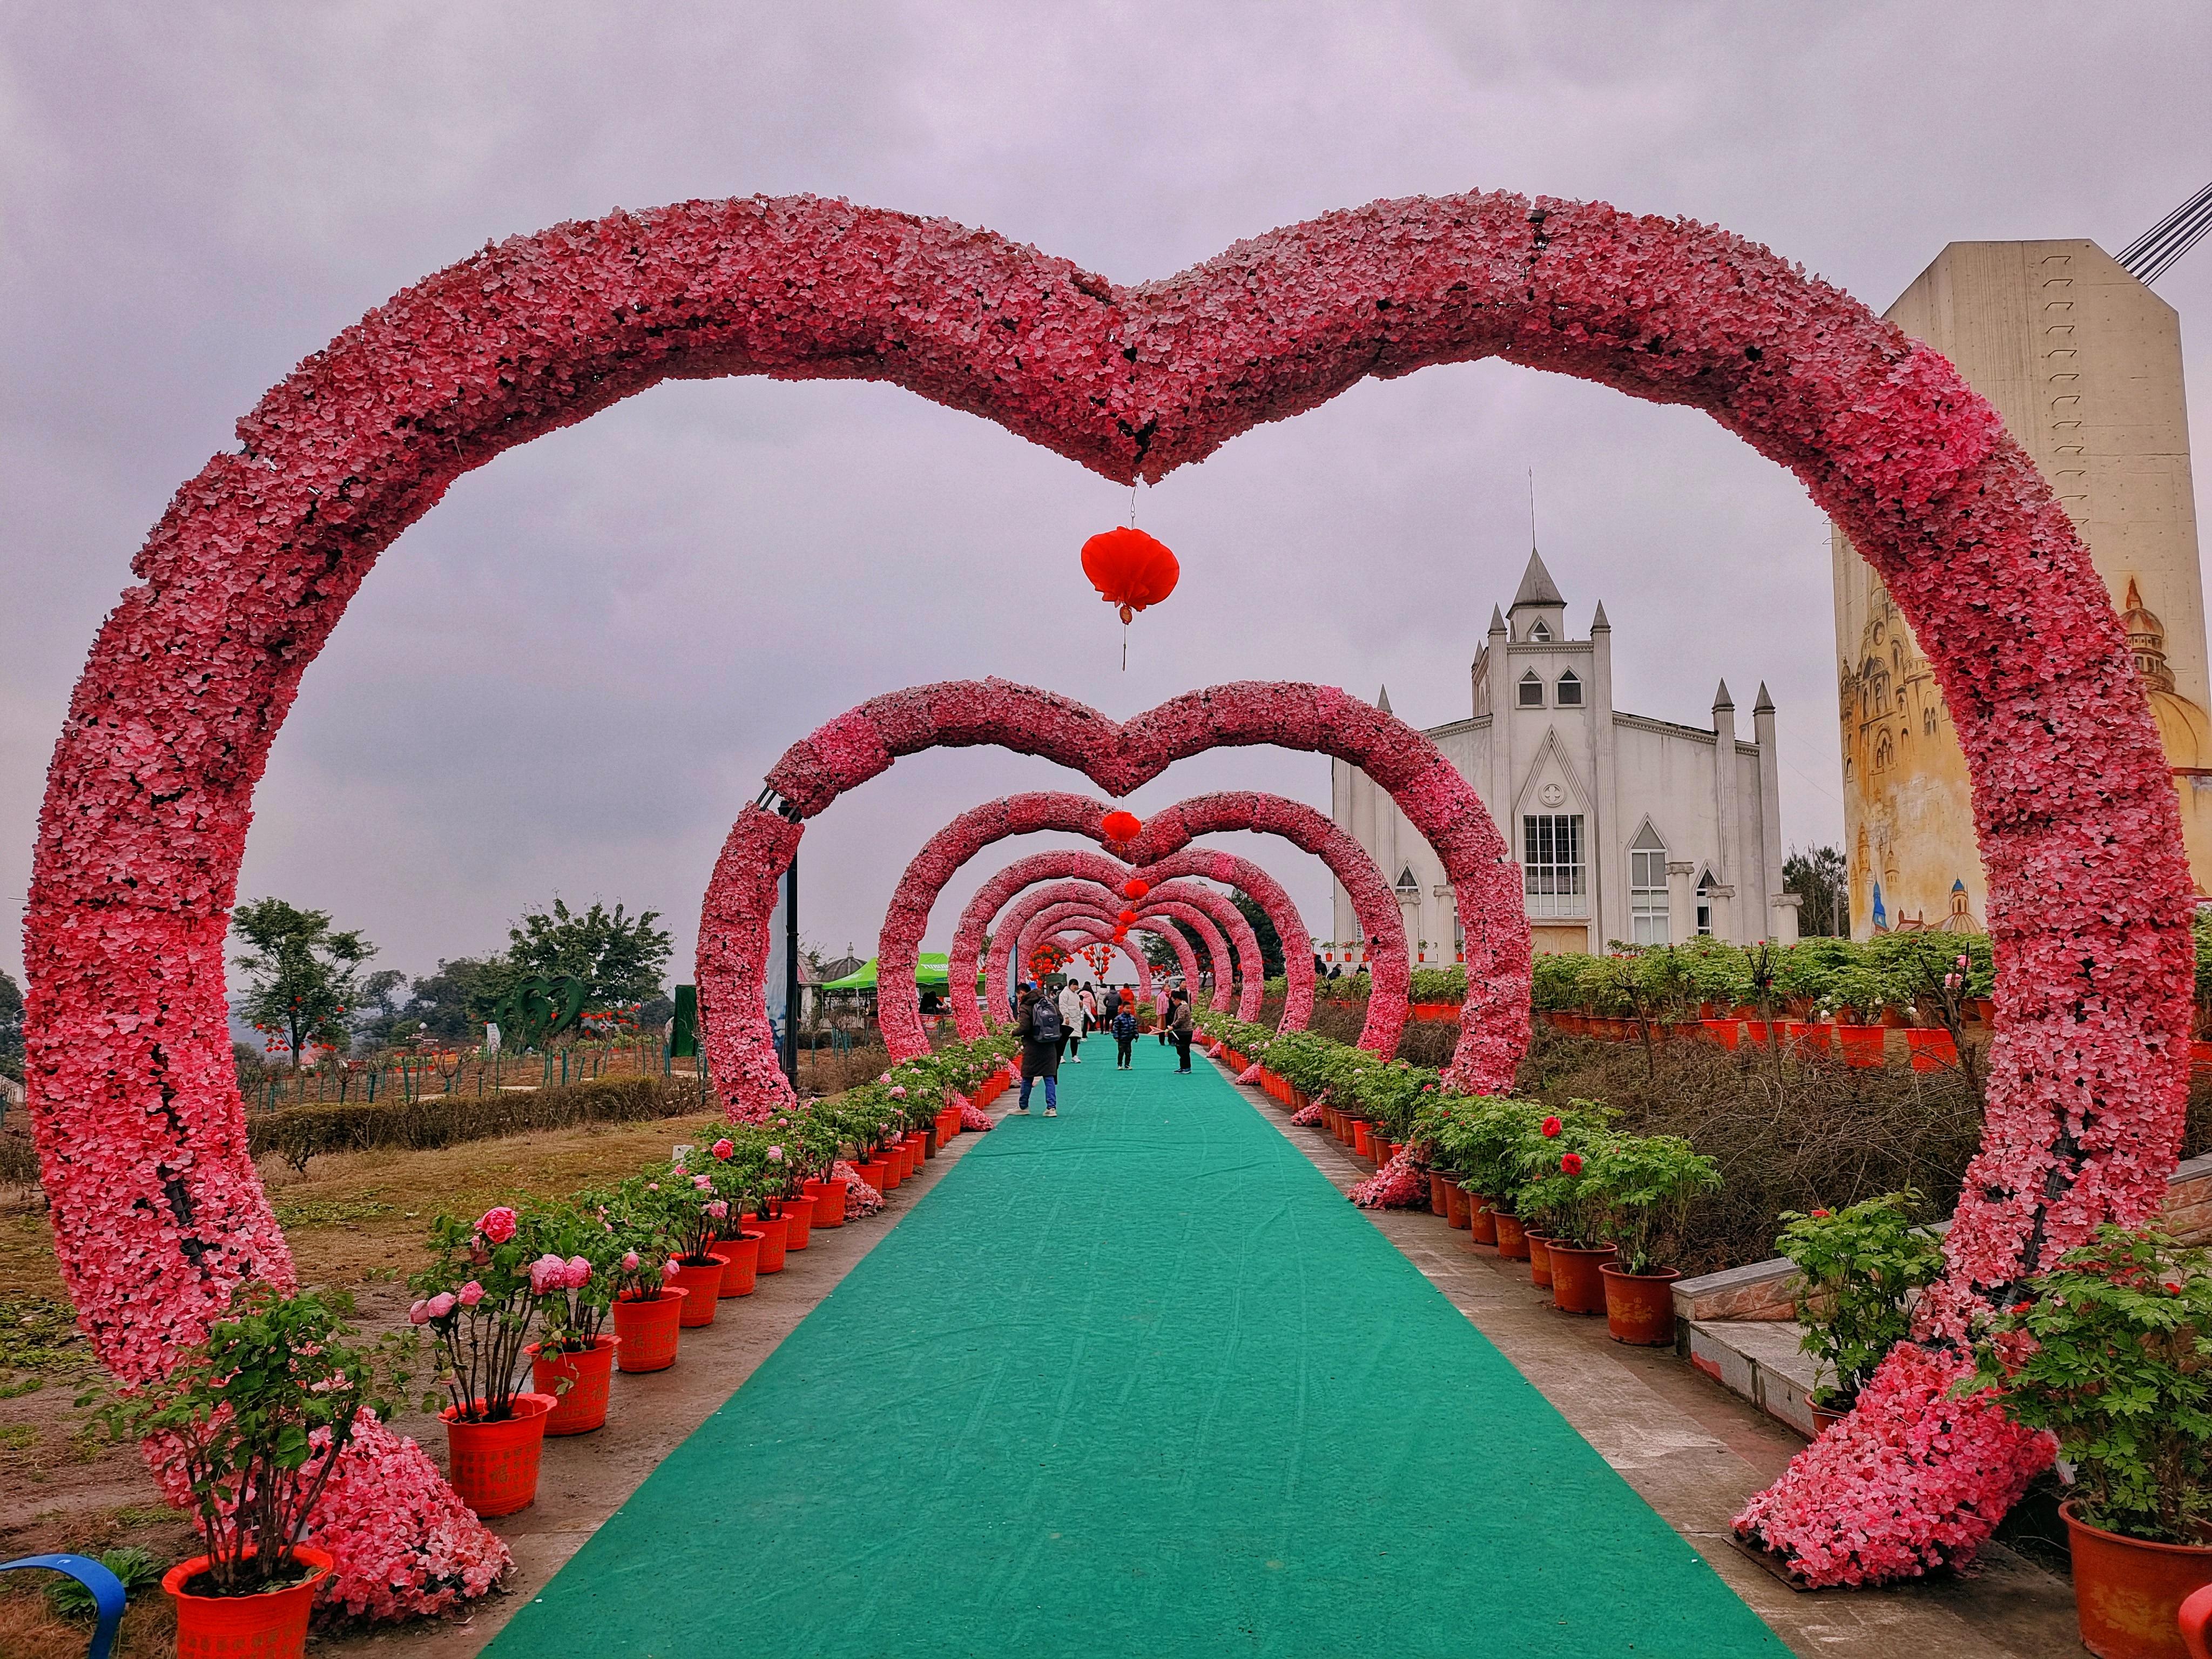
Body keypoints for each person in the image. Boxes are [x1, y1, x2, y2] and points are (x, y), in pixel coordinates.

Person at [1016, 983, 1063, 1116]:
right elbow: (1059, 1018)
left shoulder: (1026, 1006)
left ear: (1021, 993)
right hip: (1049, 1044)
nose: (1018, 997)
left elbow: (1024, 1027)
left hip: (1033, 1046)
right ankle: (1051, 1108)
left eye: (1018, 995)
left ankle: (1023, 1107)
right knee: (1049, 1076)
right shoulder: (1047, 1001)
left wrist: (1014, 1032)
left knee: (1027, 1077)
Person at [1057, 978, 1084, 1064]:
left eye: (1076, 985)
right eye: (1074, 985)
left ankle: (1074, 1056)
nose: (1075, 987)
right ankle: (1060, 1056)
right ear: (1070, 985)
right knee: (1064, 1039)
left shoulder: (1076, 995)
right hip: (1068, 1019)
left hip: (1076, 1019)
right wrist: (1066, 1017)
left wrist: (1081, 1006)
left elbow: (1078, 1008)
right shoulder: (1065, 993)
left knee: (1075, 1038)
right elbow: (1063, 1006)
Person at [1171, 987, 1195, 1073]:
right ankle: (1185, 1067)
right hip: (1187, 1031)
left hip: (1184, 1032)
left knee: (1182, 1050)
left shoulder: (1182, 1008)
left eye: (1173, 1001)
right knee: (1185, 1050)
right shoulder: (1186, 1005)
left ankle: (1186, 1068)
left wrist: (1173, 1026)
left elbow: (1181, 1019)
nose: (1173, 1003)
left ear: (1177, 999)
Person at [1112, 999, 1138, 1069]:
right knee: (1121, 1052)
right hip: (1121, 1039)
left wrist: (1136, 1036)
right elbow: (1115, 1028)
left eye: (1130, 1009)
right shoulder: (1118, 1018)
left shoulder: (1133, 1018)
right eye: (1127, 1008)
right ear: (1123, 1008)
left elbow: (1135, 1028)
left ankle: (1127, 1065)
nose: (1128, 1010)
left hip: (1129, 1039)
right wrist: (1116, 1037)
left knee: (1128, 1053)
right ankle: (1119, 1065)